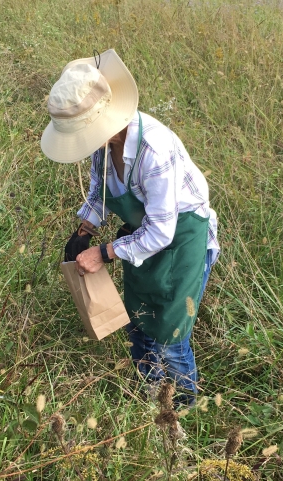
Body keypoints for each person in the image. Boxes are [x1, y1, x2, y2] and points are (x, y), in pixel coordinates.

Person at [41, 49, 219, 406]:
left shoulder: (153, 149)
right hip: (141, 240)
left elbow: (161, 232)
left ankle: (182, 409)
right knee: (139, 323)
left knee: (169, 334)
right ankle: (151, 398)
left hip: (182, 240)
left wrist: (105, 253)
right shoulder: (103, 146)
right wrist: (84, 232)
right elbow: (99, 192)